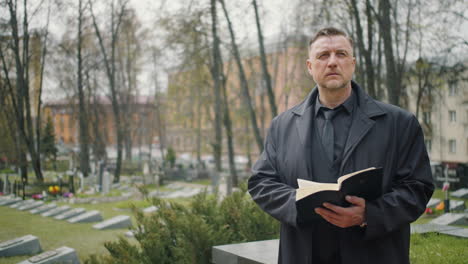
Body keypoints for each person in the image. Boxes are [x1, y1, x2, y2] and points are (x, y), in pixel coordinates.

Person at [248, 27, 434, 264]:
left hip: (374, 253)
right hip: (305, 253)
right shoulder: (281, 126)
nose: (333, 62)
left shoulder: (399, 123)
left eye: (341, 54)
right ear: (309, 66)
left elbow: (418, 187)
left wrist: (370, 214)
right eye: (323, 55)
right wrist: (298, 204)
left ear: (353, 63)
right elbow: (261, 182)